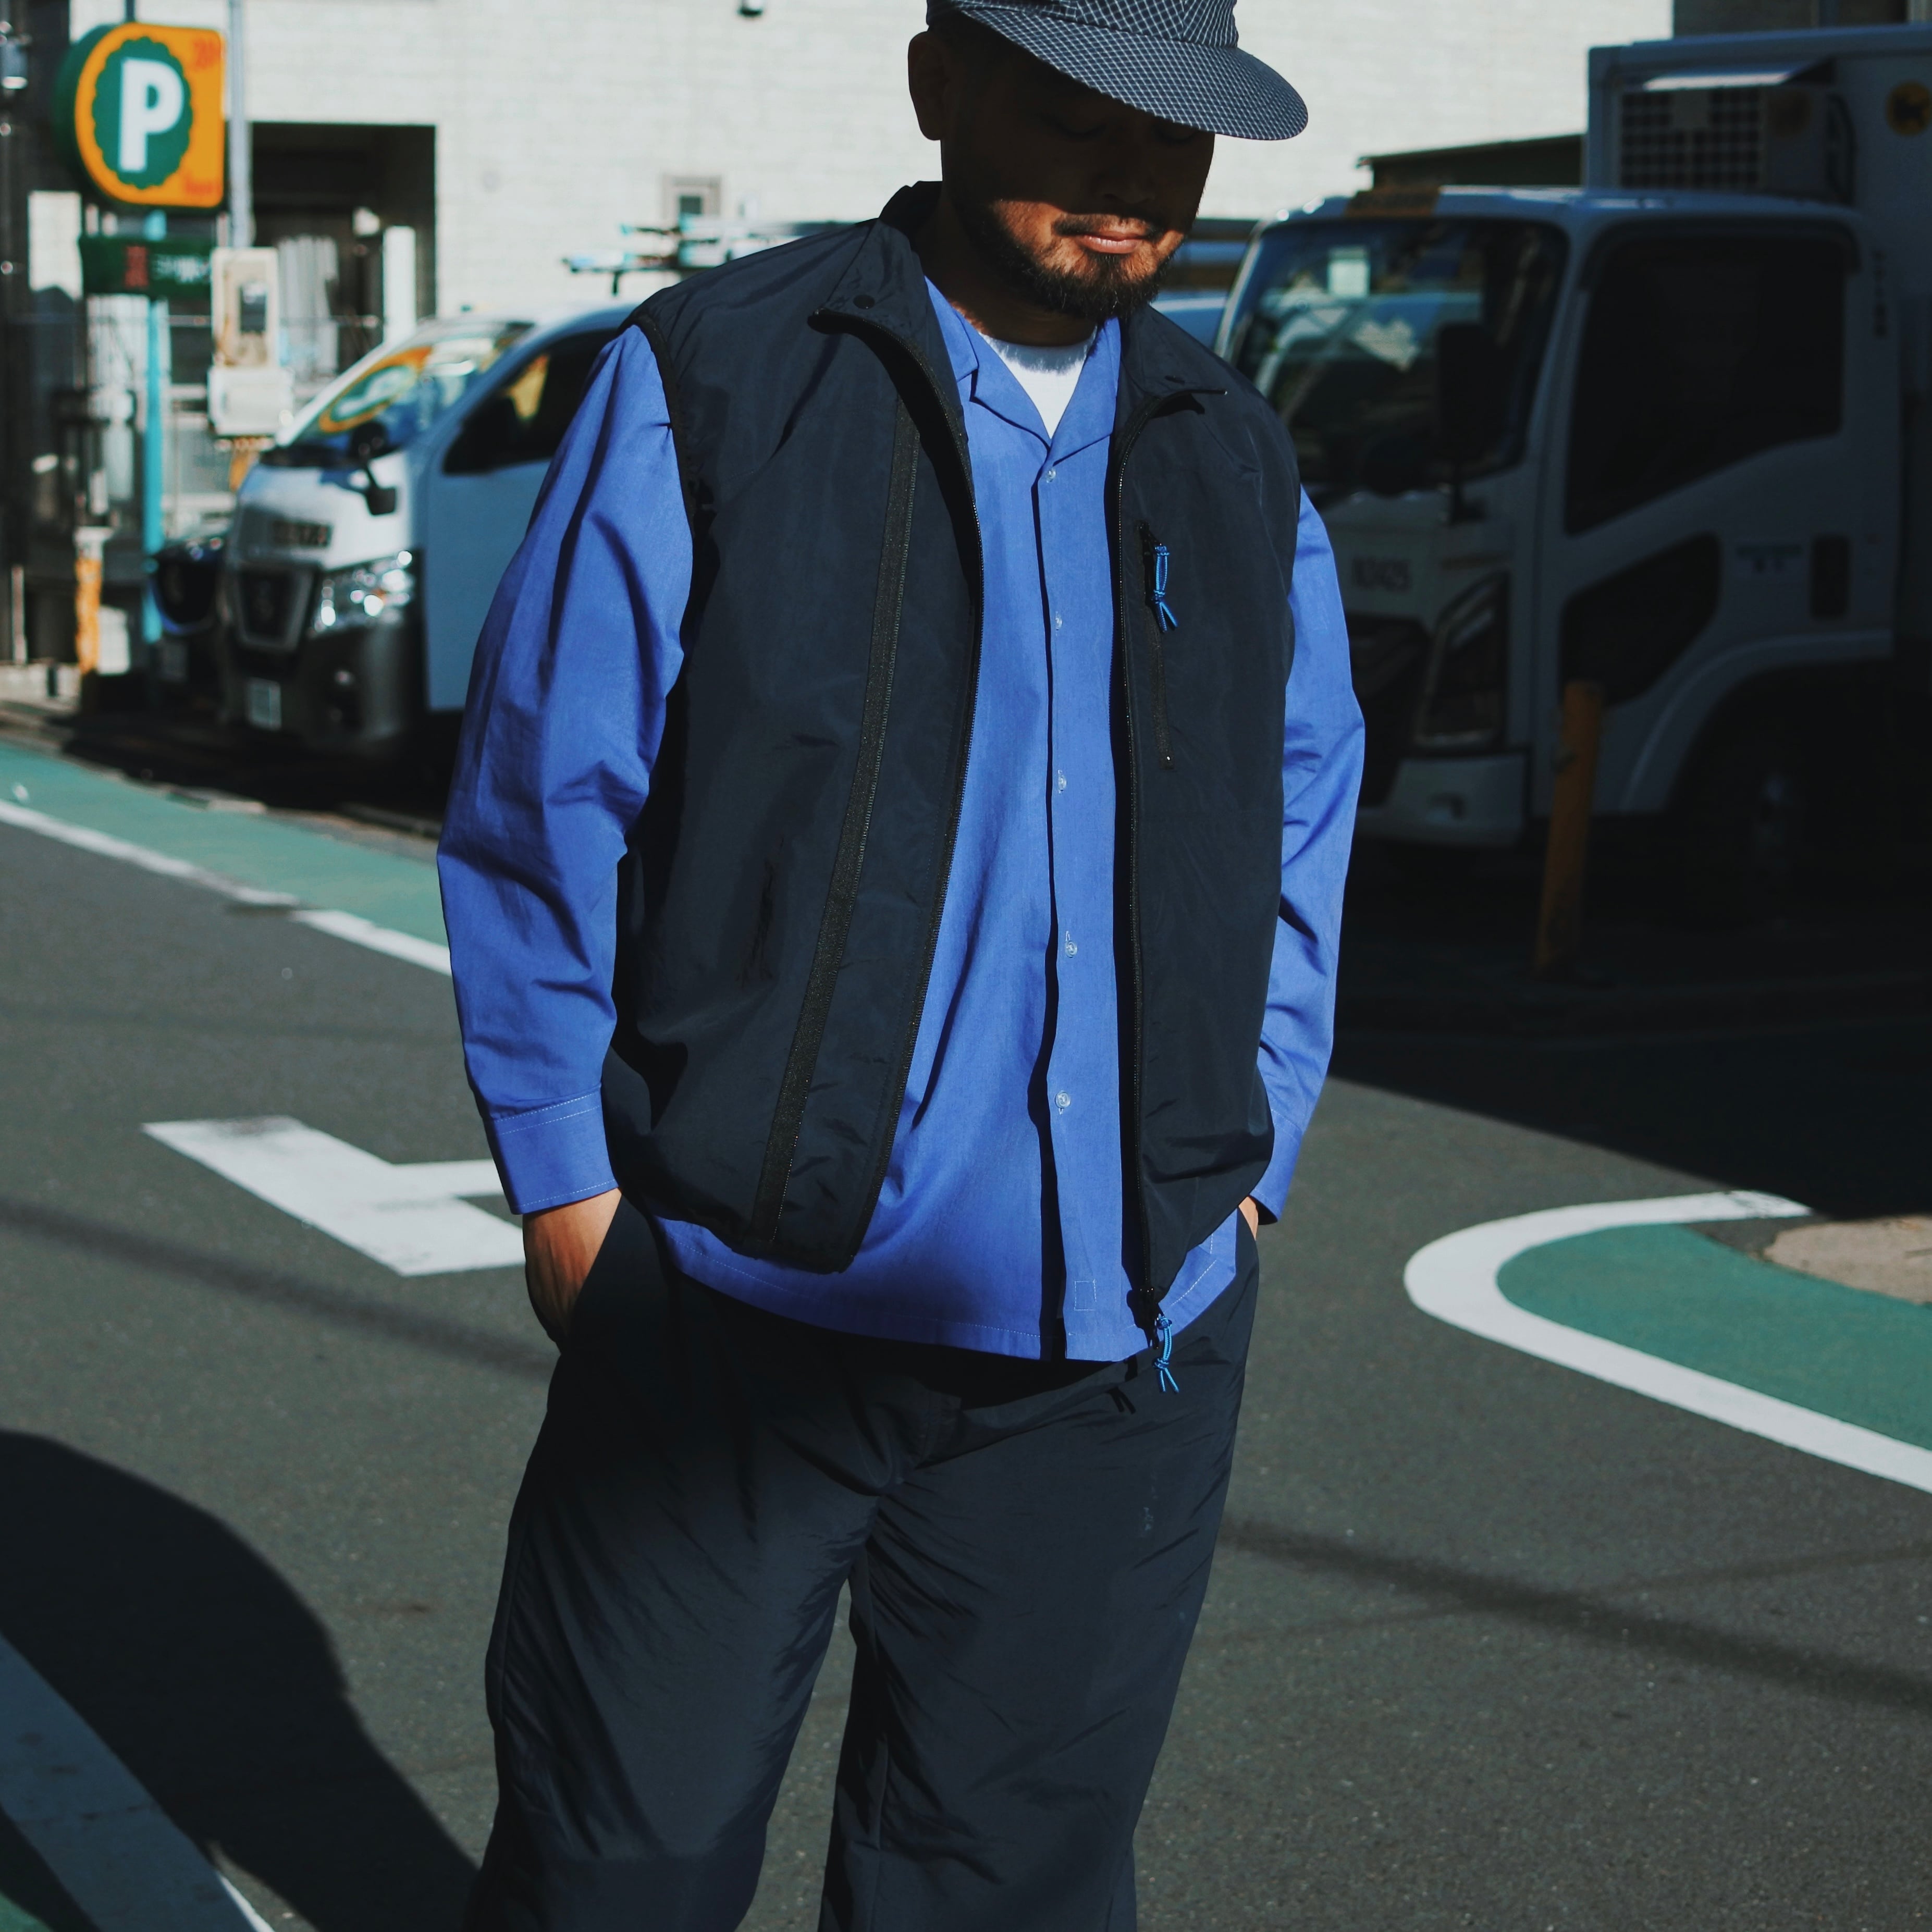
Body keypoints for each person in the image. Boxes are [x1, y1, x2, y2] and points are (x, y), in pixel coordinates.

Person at [438, 1, 1363, 1924]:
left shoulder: (1233, 450)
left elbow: (1302, 809)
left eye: (1174, 134)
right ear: (942, 86)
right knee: (619, 1868)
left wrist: (1250, 1148)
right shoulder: (722, 372)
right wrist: (567, 1184)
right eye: (1079, 114)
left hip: (1119, 1337)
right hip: (733, 1301)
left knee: (1005, 1885)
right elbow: (543, 789)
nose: (1133, 178)